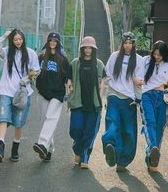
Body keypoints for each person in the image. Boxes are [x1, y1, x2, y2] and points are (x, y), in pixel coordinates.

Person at [0, 29, 40, 163]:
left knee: (18, 122)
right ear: (12, 40)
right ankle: (0, 146)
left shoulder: (30, 53)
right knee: (3, 117)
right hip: (6, 90)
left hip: (23, 92)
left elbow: (37, 69)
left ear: (23, 39)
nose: (18, 41)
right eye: (15, 39)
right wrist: (4, 36)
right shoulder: (7, 51)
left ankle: (15, 147)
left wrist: (27, 79)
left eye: (20, 39)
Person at [101, 32, 144, 172]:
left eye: (130, 43)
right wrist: (105, 95)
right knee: (112, 122)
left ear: (134, 44)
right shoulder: (114, 56)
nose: (127, 45)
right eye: (125, 43)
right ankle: (111, 147)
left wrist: (138, 100)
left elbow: (139, 82)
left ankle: (123, 161)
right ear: (122, 43)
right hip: (114, 95)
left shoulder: (139, 60)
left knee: (129, 131)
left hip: (129, 99)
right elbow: (107, 76)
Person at [67, 36, 105, 169]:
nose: (88, 50)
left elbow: (102, 84)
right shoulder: (75, 63)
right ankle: (78, 149)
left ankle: (84, 157)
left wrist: (100, 100)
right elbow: (69, 79)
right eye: (85, 47)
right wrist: (70, 91)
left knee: (89, 132)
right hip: (78, 103)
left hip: (93, 104)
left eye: (90, 48)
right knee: (75, 129)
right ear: (82, 48)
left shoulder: (99, 64)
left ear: (93, 49)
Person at [33, 32, 70, 161]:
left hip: (57, 94)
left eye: (55, 41)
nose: (53, 43)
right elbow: (34, 72)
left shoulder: (63, 60)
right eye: (50, 40)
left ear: (58, 43)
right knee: (45, 121)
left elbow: (68, 78)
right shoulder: (41, 57)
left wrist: (70, 91)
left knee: (51, 118)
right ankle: (48, 149)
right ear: (47, 42)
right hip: (43, 93)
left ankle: (42, 143)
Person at [141, 40, 168, 172]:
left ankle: (152, 156)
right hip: (147, 96)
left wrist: (162, 86)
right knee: (150, 122)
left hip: (163, 97)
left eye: (160, 55)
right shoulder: (145, 61)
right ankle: (153, 148)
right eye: (155, 54)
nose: (157, 57)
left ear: (164, 55)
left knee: (160, 126)